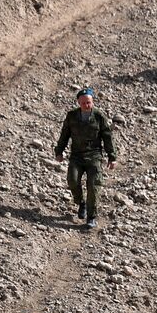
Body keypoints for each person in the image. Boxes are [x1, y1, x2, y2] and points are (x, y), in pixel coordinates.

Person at [54, 87, 117, 229]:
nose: (86, 105)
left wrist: (112, 157)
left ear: (92, 101)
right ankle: (81, 202)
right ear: (78, 103)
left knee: (94, 186)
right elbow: (64, 134)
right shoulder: (71, 116)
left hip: (94, 156)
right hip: (76, 155)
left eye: (88, 102)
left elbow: (108, 137)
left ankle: (91, 216)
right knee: (72, 180)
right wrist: (59, 151)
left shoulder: (99, 117)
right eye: (83, 103)